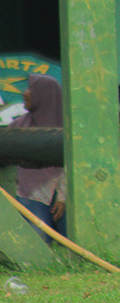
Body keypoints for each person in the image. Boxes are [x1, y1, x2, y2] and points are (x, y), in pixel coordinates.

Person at [10, 73, 66, 242]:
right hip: (31, 194)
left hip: (63, 193)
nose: (24, 93)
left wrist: (63, 197)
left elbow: (71, 165)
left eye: (30, 89)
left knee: (74, 240)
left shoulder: (66, 126)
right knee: (38, 240)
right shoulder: (18, 126)